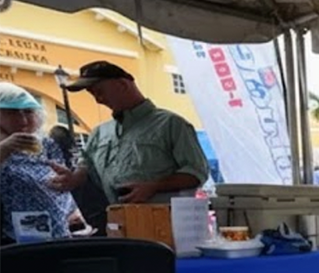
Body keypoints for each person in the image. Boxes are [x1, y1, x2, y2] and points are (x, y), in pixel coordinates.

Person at [48, 61, 209, 205]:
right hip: (119, 222)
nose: (98, 99)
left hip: (166, 223)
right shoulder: (99, 133)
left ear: (123, 85)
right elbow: (86, 168)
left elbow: (196, 173)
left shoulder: (171, 124)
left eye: (99, 91)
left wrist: (154, 187)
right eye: (92, 94)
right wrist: (73, 179)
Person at [0, 83, 80, 244]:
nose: (23, 119)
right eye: (11, 113)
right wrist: (4, 148)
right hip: (9, 239)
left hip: (55, 232)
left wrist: (68, 181)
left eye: (28, 112)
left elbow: (62, 186)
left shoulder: (47, 144)